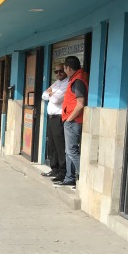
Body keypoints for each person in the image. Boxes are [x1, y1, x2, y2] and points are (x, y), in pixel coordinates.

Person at [55, 56, 88, 189]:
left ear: (68, 68)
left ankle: (84, 179)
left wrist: (69, 119)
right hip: (71, 120)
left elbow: (80, 104)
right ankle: (70, 177)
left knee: (72, 151)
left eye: (64, 69)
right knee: (69, 151)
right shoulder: (76, 78)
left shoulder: (78, 80)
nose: (64, 71)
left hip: (73, 121)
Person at [41, 65, 69, 181]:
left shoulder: (67, 83)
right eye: (56, 71)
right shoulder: (56, 83)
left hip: (59, 118)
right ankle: (54, 169)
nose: (58, 73)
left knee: (60, 145)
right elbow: (43, 95)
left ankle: (63, 172)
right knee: (51, 144)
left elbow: (56, 99)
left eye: (61, 71)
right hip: (51, 117)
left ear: (66, 71)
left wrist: (50, 94)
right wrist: (50, 94)